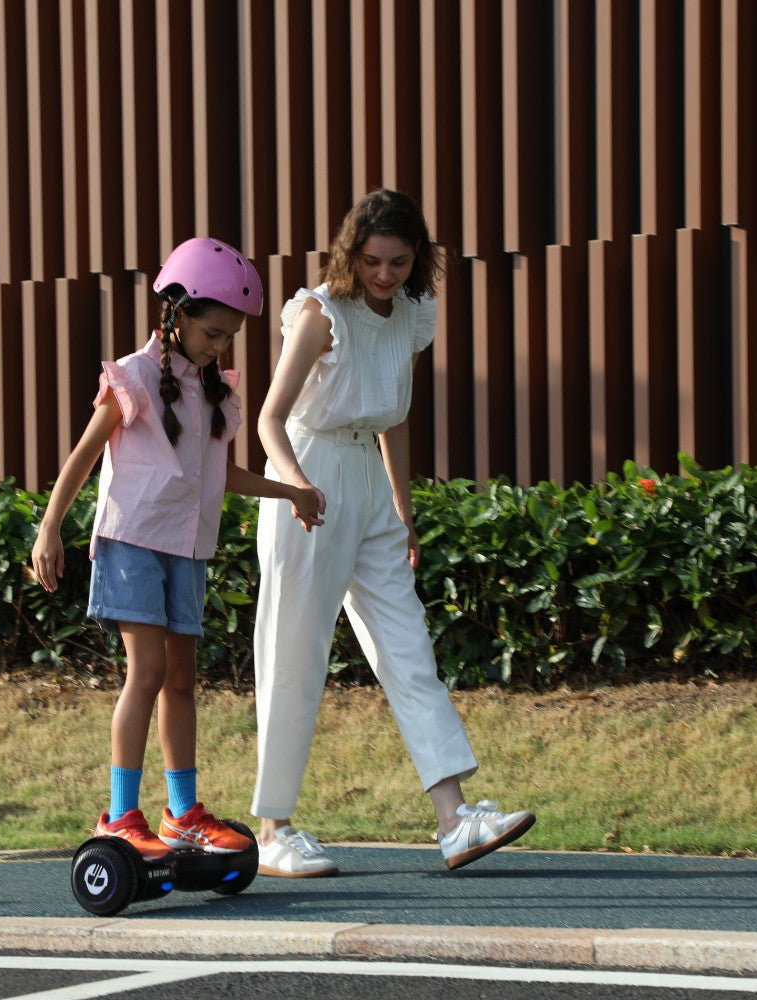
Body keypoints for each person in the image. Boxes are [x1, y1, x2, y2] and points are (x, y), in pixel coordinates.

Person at [250, 189, 535, 877]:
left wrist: (402, 511)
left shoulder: (412, 314)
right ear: (352, 253)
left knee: (408, 645)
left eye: (399, 262)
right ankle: (273, 831)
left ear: (419, 259)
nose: (385, 275)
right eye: (373, 261)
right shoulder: (319, 315)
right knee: (294, 650)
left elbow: (395, 416)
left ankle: (454, 820)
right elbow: (266, 418)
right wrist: (294, 486)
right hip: (308, 468)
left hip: (369, 487)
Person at [31, 237, 323, 863]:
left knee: (183, 678)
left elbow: (225, 475)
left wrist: (291, 491)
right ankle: (120, 815)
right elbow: (84, 455)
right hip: (132, 542)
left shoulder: (214, 391)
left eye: (230, 337)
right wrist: (50, 526)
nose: (220, 346)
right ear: (178, 311)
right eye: (212, 332)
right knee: (149, 672)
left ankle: (182, 814)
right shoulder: (132, 378)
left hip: (187, 548)